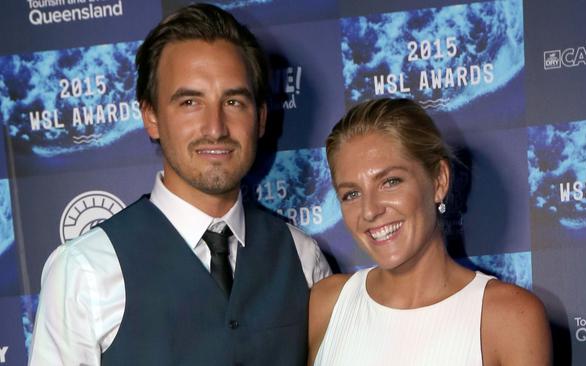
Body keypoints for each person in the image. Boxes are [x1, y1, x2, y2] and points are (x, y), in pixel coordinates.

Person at [29, 4, 331, 366]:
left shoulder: (302, 258)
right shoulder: (85, 270)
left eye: (234, 101)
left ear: (261, 118)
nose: (216, 127)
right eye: (190, 102)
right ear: (151, 117)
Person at [308, 98, 551, 366]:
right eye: (351, 193)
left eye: (390, 182)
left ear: (439, 181)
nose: (369, 211)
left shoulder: (509, 317)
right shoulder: (326, 304)